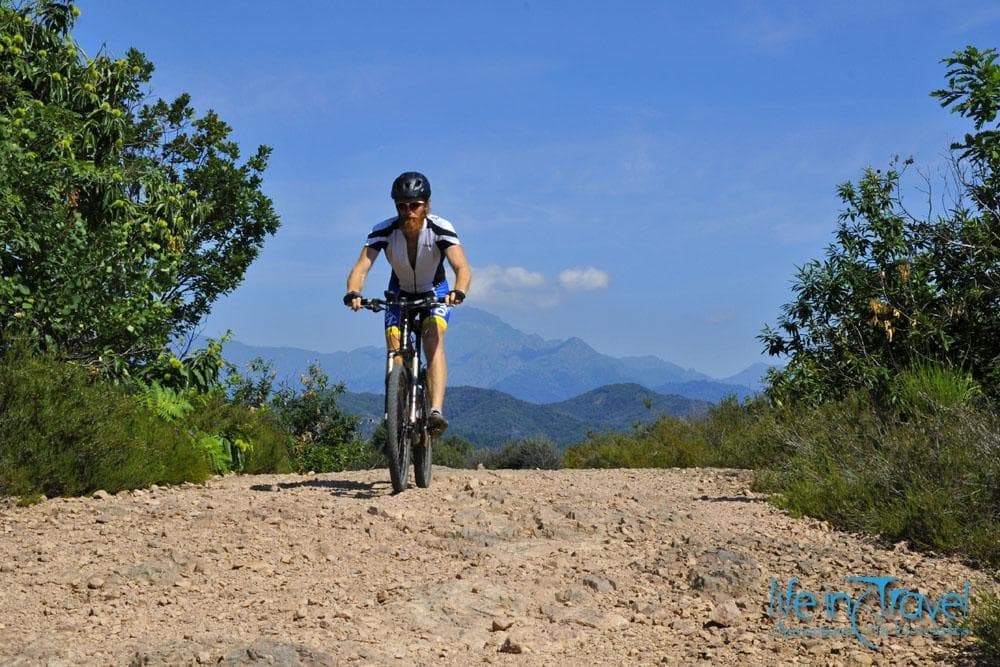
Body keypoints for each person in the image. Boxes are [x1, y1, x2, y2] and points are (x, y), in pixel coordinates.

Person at [344, 171, 472, 436]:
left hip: (434, 292)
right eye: (402, 206)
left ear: (426, 205)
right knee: (395, 352)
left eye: (414, 206)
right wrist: (354, 291)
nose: (408, 212)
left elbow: (462, 267)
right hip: (398, 294)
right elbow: (361, 268)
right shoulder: (384, 230)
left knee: (432, 339)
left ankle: (435, 411)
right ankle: (397, 408)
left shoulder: (440, 228)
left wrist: (458, 291)